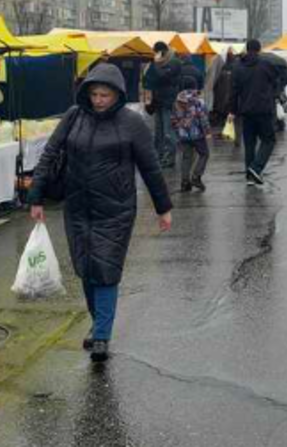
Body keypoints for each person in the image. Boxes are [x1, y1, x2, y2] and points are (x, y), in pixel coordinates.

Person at [29, 63, 173, 364]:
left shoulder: (132, 123)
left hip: (116, 209)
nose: (98, 100)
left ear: (117, 94)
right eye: (94, 94)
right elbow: (50, 154)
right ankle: (98, 324)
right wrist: (36, 197)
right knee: (86, 269)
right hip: (77, 206)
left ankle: (102, 336)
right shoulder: (74, 116)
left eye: (104, 95)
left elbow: (150, 167)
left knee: (105, 270)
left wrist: (163, 208)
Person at [230, 40, 282, 186]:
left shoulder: (238, 67)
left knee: (249, 144)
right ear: (259, 49)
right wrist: (274, 93)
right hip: (264, 109)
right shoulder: (266, 64)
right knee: (269, 140)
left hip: (246, 111)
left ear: (247, 49)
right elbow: (277, 80)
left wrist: (232, 111)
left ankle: (249, 176)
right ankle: (256, 168)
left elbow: (233, 92)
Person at [142, 41, 183, 168]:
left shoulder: (174, 62)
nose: (155, 55)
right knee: (158, 133)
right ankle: (158, 156)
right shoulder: (157, 63)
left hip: (168, 102)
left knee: (168, 133)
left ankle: (169, 158)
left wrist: (155, 64)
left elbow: (162, 77)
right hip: (158, 102)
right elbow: (147, 79)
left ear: (162, 52)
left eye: (157, 52)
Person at [172, 74, 211, 193]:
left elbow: (173, 119)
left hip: (183, 135)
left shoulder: (177, 101)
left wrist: (178, 131)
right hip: (197, 134)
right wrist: (207, 131)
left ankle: (185, 183)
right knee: (204, 154)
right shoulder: (198, 101)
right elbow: (203, 118)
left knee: (186, 157)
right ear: (195, 86)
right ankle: (196, 176)